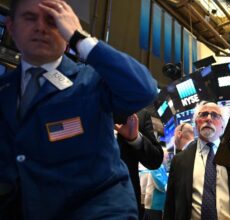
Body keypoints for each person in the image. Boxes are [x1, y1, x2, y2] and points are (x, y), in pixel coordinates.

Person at [0, 0, 157, 219]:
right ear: (11, 27)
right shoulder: (4, 90)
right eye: (29, 18)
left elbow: (144, 89)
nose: (40, 27)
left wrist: (80, 39)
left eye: (52, 21)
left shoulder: (92, 79)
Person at [164, 101, 230, 220]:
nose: (209, 119)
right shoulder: (179, 160)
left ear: (223, 126)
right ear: (196, 123)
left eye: (215, 116)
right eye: (204, 114)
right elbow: (170, 204)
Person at [114, 109, 164, 219]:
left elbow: (155, 160)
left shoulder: (137, 115)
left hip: (127, 207)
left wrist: (134, 138)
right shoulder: (81, 107)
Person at [143, 148, 169, 220]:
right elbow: (161, 186)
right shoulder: (155, 167)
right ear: (161, 157)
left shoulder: (161, 167)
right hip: (154, 205)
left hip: (159, 206)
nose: (167, 160)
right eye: (166, 158)